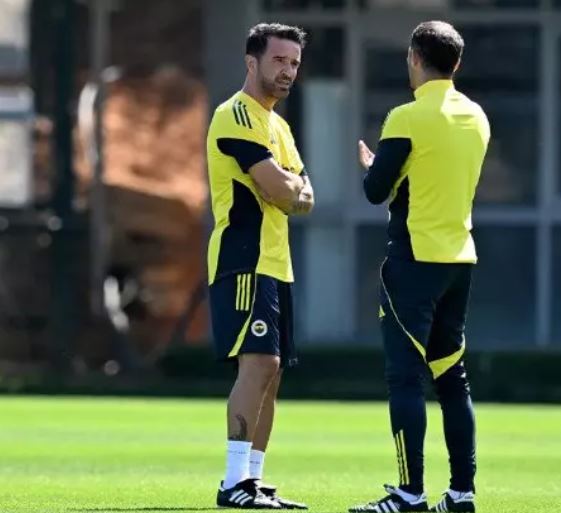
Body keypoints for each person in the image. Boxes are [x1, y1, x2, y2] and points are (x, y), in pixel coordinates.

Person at [349, 21, 490, 513]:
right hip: (459, 262)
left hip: (413, 261)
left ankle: (410, 494)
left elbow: (376, 191)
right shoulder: (476, 116)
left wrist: (375, 165)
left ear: (413, 57)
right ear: (457, 63)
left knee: (406, 379)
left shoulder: (405, 118)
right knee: (452, 378)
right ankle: (462, 493)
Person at [206, 22, 314, 510]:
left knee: (274, 373)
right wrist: (287, 187)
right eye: (279, 61)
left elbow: (305, 197)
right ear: (252, 62)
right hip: (244, 260)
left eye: (294, 63)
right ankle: (233, 483)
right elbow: (281, 189)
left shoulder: (280, 128)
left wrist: (288, 188)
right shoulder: (235, 115)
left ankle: (253, 479)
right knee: (260, 363)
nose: (288, 71)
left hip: (277, 264)